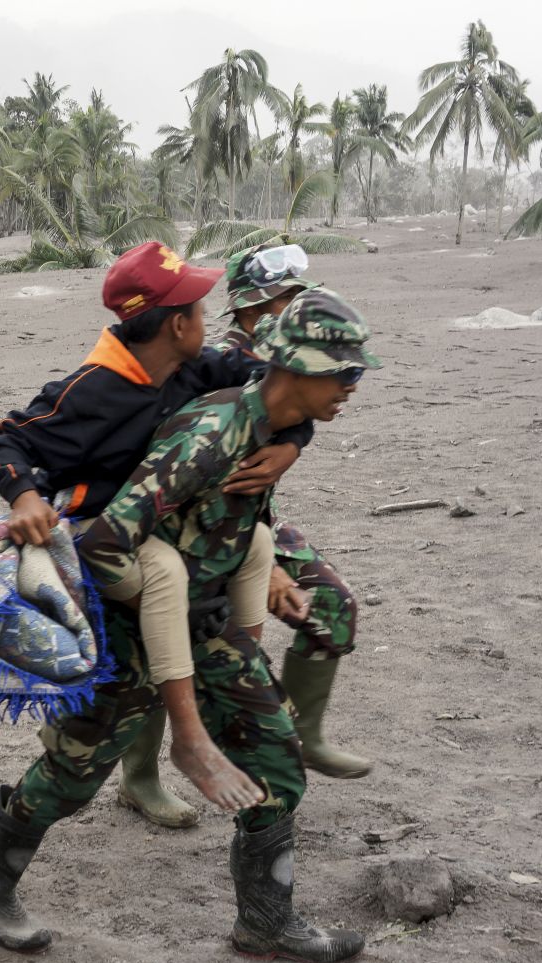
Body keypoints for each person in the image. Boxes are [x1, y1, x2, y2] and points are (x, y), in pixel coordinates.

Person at [0, 286, 378, 963]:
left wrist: (256, 569)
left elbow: (237, 517)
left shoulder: (268, 428)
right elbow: (106, 544)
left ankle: (266, 921)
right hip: (135, 630)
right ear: (297, 367)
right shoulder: (208, 439)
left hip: (208, 621)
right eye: (346, 373)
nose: (353, 388)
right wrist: (171, 603)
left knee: (275, 757)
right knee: (70, 777)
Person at [0, 241, 313, 828]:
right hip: (99, 534)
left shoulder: (190, 367)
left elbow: (277, 391)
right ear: (179, 322)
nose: (209, 324)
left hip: (160, 522)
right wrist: (25, 495)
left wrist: (291, 444)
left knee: (255, 546)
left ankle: (230, 677)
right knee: (162, 581)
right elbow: (5, 441)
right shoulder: (91, 392)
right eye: (202, 311)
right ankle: (184, 734)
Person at [215, 242, 372, 779]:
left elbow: (294, 414)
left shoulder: (288, 353)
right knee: (178, 650)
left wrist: (295, 440)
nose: (295, 311)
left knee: (331, 602)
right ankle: (141, 775)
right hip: (201, 522)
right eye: (285, 300)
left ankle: (305, 737)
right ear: (252, 308)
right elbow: (203, 488)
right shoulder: (221, 369)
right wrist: (267, 567)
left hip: (253, 512)